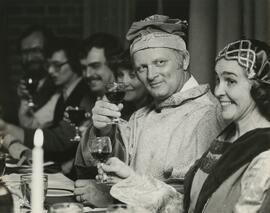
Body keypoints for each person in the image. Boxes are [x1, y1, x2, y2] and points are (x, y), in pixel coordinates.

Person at [99, 39, 270, 213]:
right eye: (218, 80)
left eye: (231, 81)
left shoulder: (265, 154)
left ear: (258, 85)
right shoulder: (226, 138)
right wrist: (131, 178)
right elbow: (187, 206)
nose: (218, 91)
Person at [76, 14, 224, 207]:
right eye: (142, 68)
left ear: (185, 60)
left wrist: (110, 198)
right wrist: (101, 131)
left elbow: (194, 203)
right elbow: (103, 169)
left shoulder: (210, 116)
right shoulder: (141, 116)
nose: (151, 75)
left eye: (160, 62)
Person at [74, 49, 150, 179]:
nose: (124, 82)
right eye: (120, 75)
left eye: (132, 75)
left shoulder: (152, 115)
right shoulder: (118, 110)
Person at [17, 25, 57, 128]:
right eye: (25, 52)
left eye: (35, 50)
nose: (29, 58)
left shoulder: (58, 84)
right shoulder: (25, 84)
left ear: (49, 51)